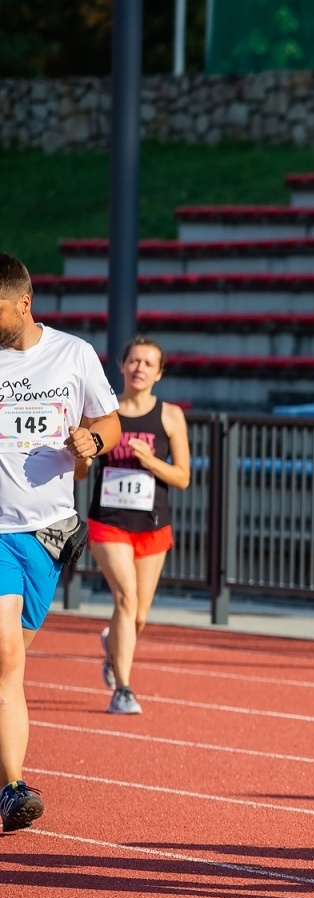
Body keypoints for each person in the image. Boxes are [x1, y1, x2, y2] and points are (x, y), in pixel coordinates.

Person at [0, 252, 121, 831]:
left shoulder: (74, 354)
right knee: (6, 657)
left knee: (11, 659)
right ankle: (13, 787)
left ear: (23, 304)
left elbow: (111, 422)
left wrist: (91, 443)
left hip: (49, 533)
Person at [78, 337, 190, 716]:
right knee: (125, 600)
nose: (140, 368)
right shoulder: (103, 413)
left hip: (152, 523)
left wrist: (151, 461)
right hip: (109, 522)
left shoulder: (170, 415)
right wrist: (84, 456)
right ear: (122, 367)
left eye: (148, 363)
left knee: (138, 614)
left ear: (159, 373)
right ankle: (123, 689)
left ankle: (113, 648)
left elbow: (183, 477)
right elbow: (82, 466)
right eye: (134, 361)